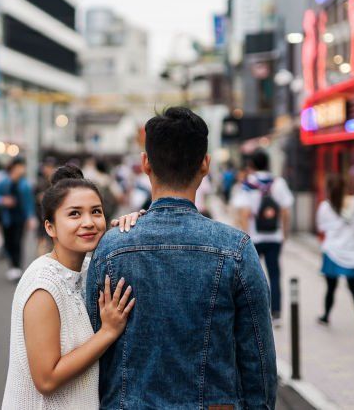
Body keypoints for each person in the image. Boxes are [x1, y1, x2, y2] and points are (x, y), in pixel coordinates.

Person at [86, 107, 276, 409]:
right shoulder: (236, 249)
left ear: (146, 164)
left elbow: (91, 350)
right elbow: (259, 363)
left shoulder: (111, 248)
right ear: (205, 165)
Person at [2, 166, 142, 409]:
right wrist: (108, 332)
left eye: (95, 212)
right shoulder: (43, 285)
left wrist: (133, 228)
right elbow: (46, 379)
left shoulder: (88, 268)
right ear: (50, 227)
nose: (88, 222)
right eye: (74, 214)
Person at [232, 149, 294, 326]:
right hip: (274, 236)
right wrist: (285, 233)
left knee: (252, 277)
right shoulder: (278, 183)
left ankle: (254, 313)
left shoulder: (248, 184)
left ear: (252, 164)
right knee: (274, 274)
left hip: (254, 238)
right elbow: (285, 210)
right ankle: (277, 313)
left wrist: (245, 236)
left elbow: (243, 213)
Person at [316, 175, 354, 337]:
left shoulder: (325, 207)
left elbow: (321, 228)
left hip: (332, 252)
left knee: (331, 288)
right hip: (353, 252)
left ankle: (326, 316)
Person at [0, 158, 37, 280]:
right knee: (8, 243)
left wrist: (30, 217)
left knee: (17, 242)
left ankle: (16, 267)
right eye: (20, 167)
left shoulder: (25, 184)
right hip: (7, 218)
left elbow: (29, 202)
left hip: (20, 218)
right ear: (13, 168)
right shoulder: (4, 182)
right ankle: (12, 265)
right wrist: (3, 200)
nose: (22, 169)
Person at [34, 157, 56, 255]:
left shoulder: (58, 183)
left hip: (53, 216)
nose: (48, 169)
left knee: (53, 242)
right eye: (47, 167)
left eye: (51, 167)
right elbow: (35, 198)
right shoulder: (39, 182)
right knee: (42, 241)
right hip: (41, 216)